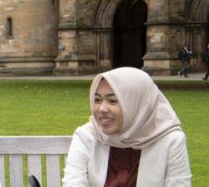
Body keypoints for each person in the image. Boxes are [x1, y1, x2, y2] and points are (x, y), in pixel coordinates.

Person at [62, 67, 191, 187]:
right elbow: (73, 183)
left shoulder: (171, 141)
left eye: (112, 101)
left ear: (137, 104)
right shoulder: (85, 136)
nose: (101, 109)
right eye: (97, 100)